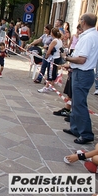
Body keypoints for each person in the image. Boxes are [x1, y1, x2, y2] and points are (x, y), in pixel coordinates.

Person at [63, 13, 98, 144]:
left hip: (82, 74)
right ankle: (76, 128)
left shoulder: (88, 37)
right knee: (76, 102)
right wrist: (71, 64)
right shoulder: (93, 35)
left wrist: (67, 58)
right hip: (82, 72)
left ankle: (86, 133)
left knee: (79, 103)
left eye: (80, 20)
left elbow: (81, 59)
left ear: (83, 22)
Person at [37, 28, 63, 93]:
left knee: (50, 73)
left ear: (52, 33)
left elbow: (49, 51)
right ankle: (52, 85)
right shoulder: (60, 40)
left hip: (52, 58)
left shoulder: (54, 41)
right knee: (54, 72)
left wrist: (46, 56)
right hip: (57, 57)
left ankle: (46, 86)